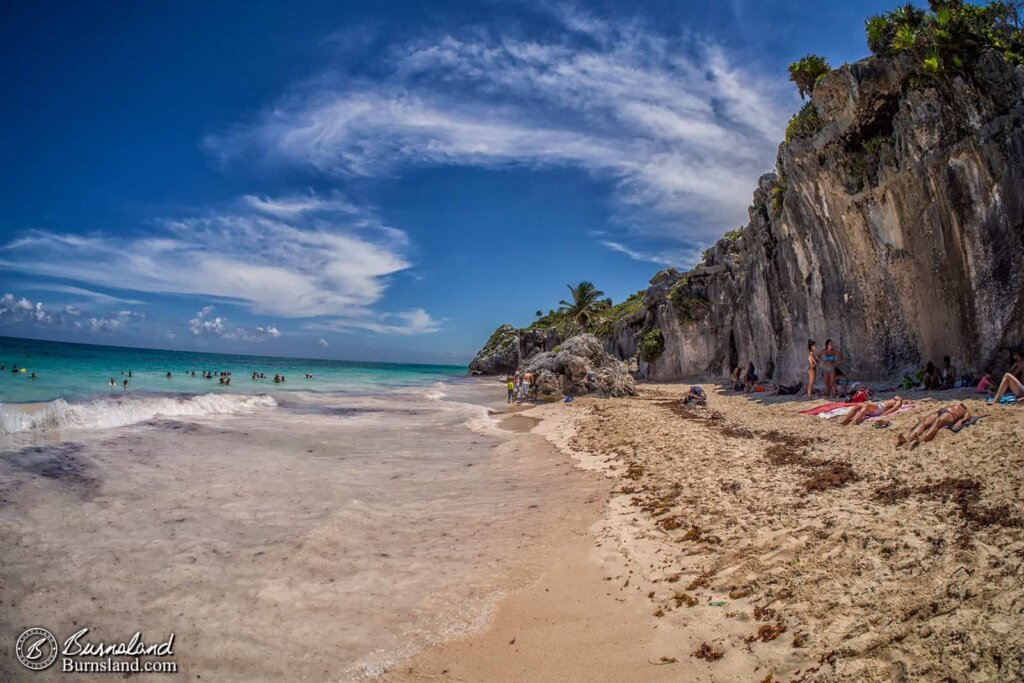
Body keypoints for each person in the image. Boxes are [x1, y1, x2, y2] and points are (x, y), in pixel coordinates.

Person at [896, 403, 972, 447]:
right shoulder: (958, 404)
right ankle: (908, 439)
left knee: (938, 422)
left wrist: (961, 421)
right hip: (942, 411)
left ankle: (923, 439)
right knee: (924, 421)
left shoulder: (966, 411)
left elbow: (968, 417)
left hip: (951, 414)